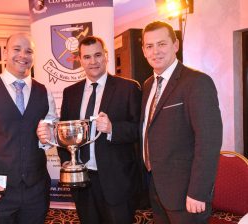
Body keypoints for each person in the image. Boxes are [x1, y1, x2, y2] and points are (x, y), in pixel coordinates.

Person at [37, 36, 141, 224]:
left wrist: (112, 128)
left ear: (106, 56)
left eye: (98, 55)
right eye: (87, 57)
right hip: (82, 181)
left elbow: (139, 131)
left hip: (117, 182)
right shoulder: (71, 93)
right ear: (80, 60)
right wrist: (69, 165)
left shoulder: (128, 88)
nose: (93, 61)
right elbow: (64, 135)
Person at [0, 33, 57, 224]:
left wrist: (48, 137)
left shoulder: (44, 92)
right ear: (5, 53)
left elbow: (50, 133)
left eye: (29, 51)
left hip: (36, 190)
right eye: (16, 49)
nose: (23, 55)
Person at [140, 21, 223, 224]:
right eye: (149, 46)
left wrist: (198, 191)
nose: (155, 51)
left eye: (162, 44)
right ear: (143, 50)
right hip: (157, 187)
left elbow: (209, 142)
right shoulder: (148, 84)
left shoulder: (196, 82)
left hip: (187, 193)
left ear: (175, 45)